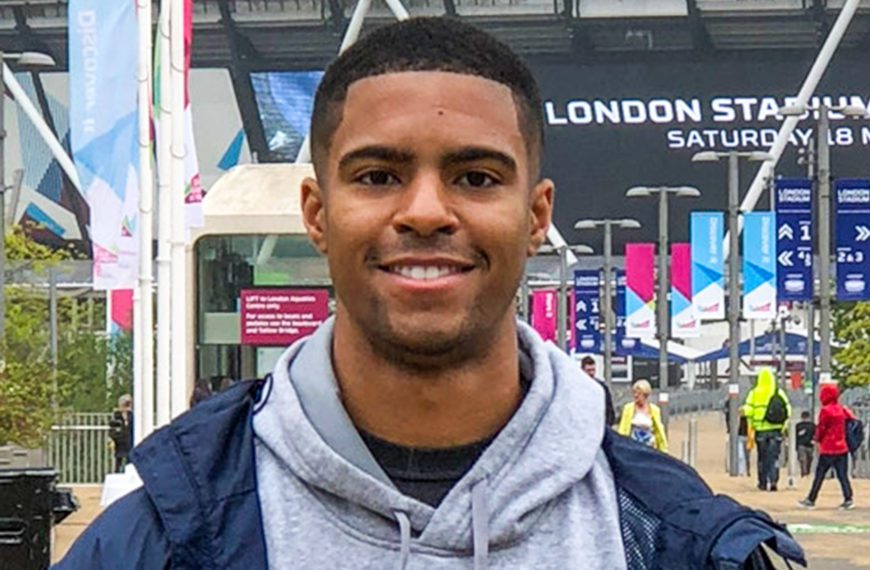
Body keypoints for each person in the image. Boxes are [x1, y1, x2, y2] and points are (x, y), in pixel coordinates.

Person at [56, 17, 803, 570]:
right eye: (378, 176)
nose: (424, 211)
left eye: (476, 177)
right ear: (317, 213)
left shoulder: (674, 536)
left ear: (537, 216)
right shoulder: (165, 530)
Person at [799, 383, 855, 510]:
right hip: (842, 447)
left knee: (819, 475)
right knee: (842, 475)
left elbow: (822, 428)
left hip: (828, 448)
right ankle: (848, 498)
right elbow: (851, 419)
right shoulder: (841, 409)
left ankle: (811, 499)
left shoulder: (825, 410)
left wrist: (817, 439)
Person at [743, 367, 791, 491]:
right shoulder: (778, 392)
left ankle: (762, 482)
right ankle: (774, 480)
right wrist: (783, 426)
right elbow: (788, 410)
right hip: (776, 430)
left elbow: (748, 411)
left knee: (762, 457)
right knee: (774, 457)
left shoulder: (754, 393)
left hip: (761, 430)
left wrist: (750, 421)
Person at [617, 379, 668, 453]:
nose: (635, 395)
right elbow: (623, 429)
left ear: (645, 395)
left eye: (638, 393)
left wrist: (663, 449)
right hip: (633, 446)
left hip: (649, 446)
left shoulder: (654, 410)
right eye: (634, 392)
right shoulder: (628, 408)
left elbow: (659, 430)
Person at [580, 356, 615, 426]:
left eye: (593, 370)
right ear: (582, 370)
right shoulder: (577, 388)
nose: (591, 373)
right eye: (588, 370)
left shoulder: (602, 387)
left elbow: (609, 409)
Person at [108, 394, 133, 473]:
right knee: (118, 463)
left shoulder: (132, 416)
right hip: (120, 443)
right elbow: (112, 430)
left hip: (130, 443)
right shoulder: (117, 416)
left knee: (130, 463)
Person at [796, 410, 816, 478]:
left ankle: (807, 472)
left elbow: (816, 434)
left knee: (809, 459)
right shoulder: (798, 426)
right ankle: (804, 473)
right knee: (803, 459)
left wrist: (814, 440)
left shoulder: (812, 425)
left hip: (810, 445)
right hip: (801, 445)